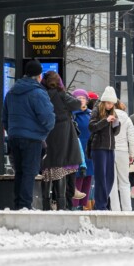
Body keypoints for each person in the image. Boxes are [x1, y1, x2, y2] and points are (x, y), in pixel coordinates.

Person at [1, 59, 55, 210]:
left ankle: (18, 204)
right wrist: (43, 132)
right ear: (39, 76)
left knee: (19, 172)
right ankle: (25, 206)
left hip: (14, 137)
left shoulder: (12, 92)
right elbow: (48, 118)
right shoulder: (38, 93)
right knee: (29, 172)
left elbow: (4, 117)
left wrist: (12, 131)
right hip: (32, 139)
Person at [40, 71, 84, 210]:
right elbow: (77, 104)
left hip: (47, 135)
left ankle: (46, 205)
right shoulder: (61, 95)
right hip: (63, 137)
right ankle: (61, 206)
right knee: (60, 171)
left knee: (47, 171)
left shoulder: (43, 95)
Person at [88, 87, 120, 211]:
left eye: (112, 103)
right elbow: (91, 127)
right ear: (103, 102)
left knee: (110, 178)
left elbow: (115, 133)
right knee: (101, 177)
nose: (110, 105)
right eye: (108, 103)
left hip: (110, 147)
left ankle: (101, 203)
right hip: (99, 147)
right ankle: (101, 205)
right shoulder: (96, 110)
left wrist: (116, 124)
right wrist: (105, 121)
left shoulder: (113, 112)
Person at [111, 99, 134, 211]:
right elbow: (132, 138)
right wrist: (132, 154)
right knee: (125, 182)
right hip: (123, 151)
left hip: (110, 150)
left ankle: (115, 209)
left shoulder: (108, 116)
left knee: (112, 182)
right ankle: (127, 209)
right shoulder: (127, 118)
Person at [71, 89, 93, 209]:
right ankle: (74, 207)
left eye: (83, 98)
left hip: (90, 152)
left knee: (88, 180)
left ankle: (83, 207)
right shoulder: (72, 115)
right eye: (78, 98)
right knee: (77, 179)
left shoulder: (91, 114)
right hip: (77, 151)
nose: (81, 101)